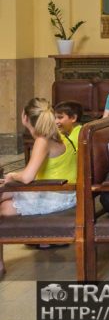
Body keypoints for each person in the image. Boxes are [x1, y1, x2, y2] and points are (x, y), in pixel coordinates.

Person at [0, 98, 78, 280]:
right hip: (64, 192)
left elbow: (27, 177)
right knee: (3, 198)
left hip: (55, 195)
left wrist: (12, 176)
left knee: (2, 205)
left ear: (24, 117)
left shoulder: (42, 140)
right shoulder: (60, 135)